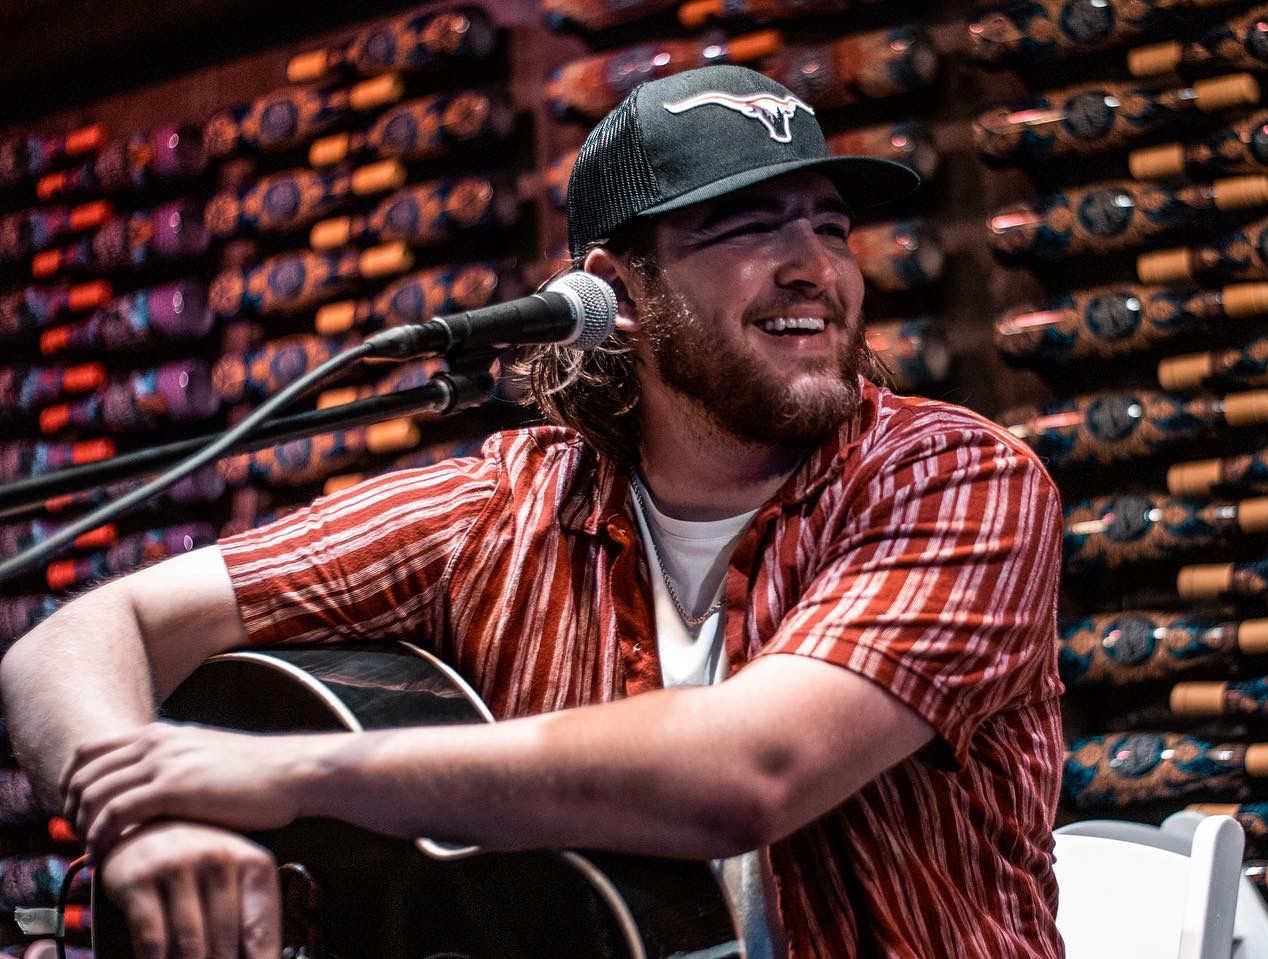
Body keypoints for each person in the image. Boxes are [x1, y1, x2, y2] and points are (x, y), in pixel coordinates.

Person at [1, 65, 1065, 958]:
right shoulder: (505, 505)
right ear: (619, 292)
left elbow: (751, 770)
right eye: (747, 228)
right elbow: (79, 634)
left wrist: (282, 774)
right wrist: (138, 816)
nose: (815, 268)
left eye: (831, 227)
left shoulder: (955, 478)